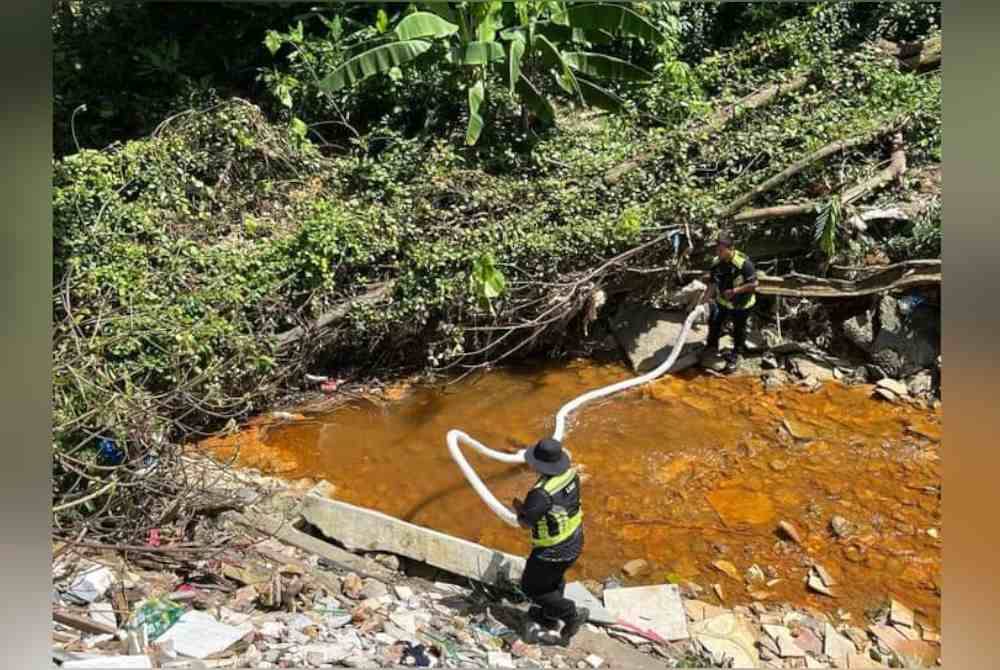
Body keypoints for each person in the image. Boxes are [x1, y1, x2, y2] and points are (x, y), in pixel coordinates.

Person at [512, 437, 589, 646]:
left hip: (553, 550)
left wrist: (519, 508)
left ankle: (570, 615)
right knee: (552, 580)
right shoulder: (570, 475)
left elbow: (526, 523)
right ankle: (549, 616)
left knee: (532, 588)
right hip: (575, 538)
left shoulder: (540, 494)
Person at [701, 235, 758, 373]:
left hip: (742, 304)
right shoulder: (716, 263)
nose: (718, 253)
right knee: (714, 321)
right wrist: (703, 301)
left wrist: (735, 291)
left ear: (731, 249)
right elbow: (713, 284)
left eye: (721, 250)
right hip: (723, 302)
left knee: (739, 329)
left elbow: (754, 284)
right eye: (717, 250)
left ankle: (736, 355)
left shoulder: (743, 264)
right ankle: (712, 347)